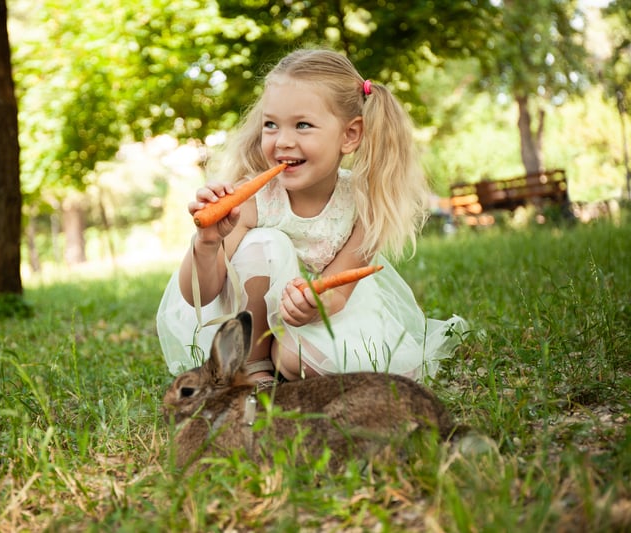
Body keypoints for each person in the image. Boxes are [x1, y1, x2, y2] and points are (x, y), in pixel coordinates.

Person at [156, 48, 467, 387]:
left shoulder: (363, 203)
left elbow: (338, 293)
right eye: (271, 125)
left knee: (321, 363)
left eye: (302, 125)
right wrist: (207, 242)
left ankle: (283, 354)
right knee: (265, 243)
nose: (283, 141)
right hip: (248, 322)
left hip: (321, 313)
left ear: (350, 135)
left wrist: (313, 307)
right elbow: (198, 295)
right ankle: (254, 362)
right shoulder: (251, 199)